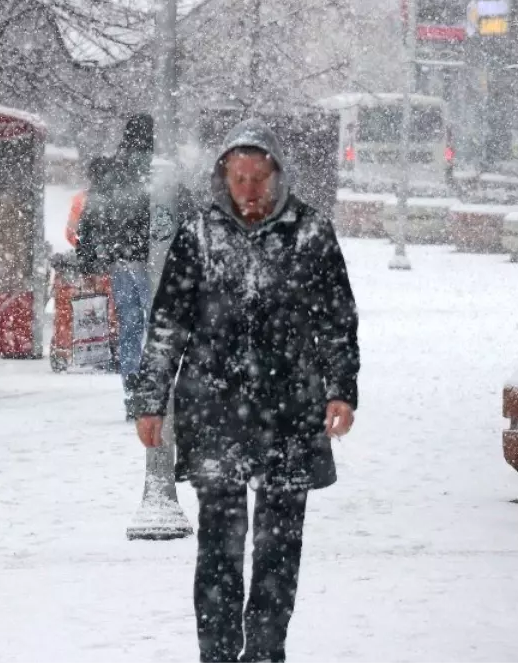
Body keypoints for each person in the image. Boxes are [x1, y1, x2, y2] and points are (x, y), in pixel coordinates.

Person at [132, 119, 360, 663]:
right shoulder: (199, 235)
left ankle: (264, 651)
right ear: (223, 179)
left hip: (291, 413)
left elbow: (337, 319)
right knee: (219, 549)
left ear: (277, 178)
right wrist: (149, 399)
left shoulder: (311, 233)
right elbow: (168, 323)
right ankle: (217, 653)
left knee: (279, 549)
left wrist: (341, 389)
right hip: (215, 412)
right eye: (239, 178)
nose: (250, 190)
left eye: (259, 178)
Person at [75, 114, 154, 417]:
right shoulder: (156, 170)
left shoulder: (110, 171)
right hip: (149, 260)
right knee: (154, 325)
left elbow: (90, 216)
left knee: (130, 328)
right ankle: (151, 389)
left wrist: (88, 258)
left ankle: (132, 388)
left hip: (118, 261)